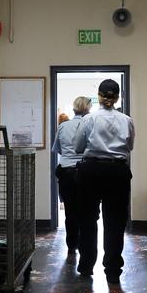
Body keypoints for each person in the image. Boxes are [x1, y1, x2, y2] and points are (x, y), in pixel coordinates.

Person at [73, 79, 135, 284]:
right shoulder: (126, 120)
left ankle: (86, 265)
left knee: (87, 219)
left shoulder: (89, 119)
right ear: (118, 97)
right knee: (115, 222)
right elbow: (130, 146)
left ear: (98, 96)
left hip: (91, 170)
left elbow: (78, 147)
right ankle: (113, 270)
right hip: (118, 171)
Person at [52, 97, 92, 254]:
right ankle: (85, 245)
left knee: (70, 211)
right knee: (86, 210)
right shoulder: (90, 124)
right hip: (85, 172)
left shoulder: (63, 126)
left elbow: (58, 149)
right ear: (87, 109)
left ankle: (71, 245)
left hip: (66, 172)